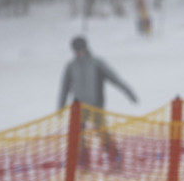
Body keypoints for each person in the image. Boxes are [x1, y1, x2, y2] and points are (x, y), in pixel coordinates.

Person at [57, 36, 138, 168]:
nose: (78, 53)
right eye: (76, 50)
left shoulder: (96, 63)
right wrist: (60, 106)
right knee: (78, 136)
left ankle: (115, 159)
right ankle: (83, 164)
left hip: (96, 106)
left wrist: (129, 92)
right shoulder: (71, 66)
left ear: (85, 48)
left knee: (102, 133)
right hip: (78, 107)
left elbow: (115, 79)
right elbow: (64, 87)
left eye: (80, 49)